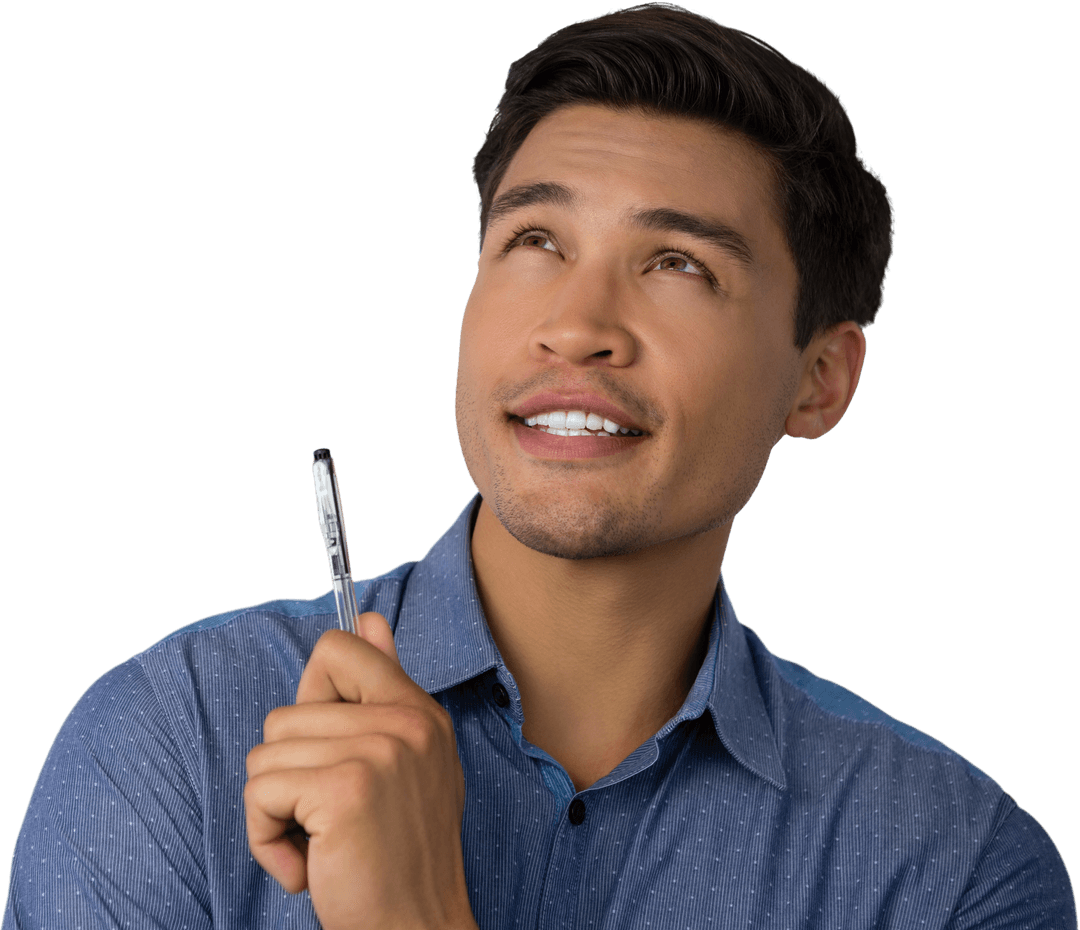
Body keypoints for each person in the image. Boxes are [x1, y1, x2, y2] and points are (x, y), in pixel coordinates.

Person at [3, 3, 1074, 928]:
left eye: (678, 265)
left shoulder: (946, 870)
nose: (577, 326)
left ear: (820, 381)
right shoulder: (173, 744)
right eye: (536, 244)